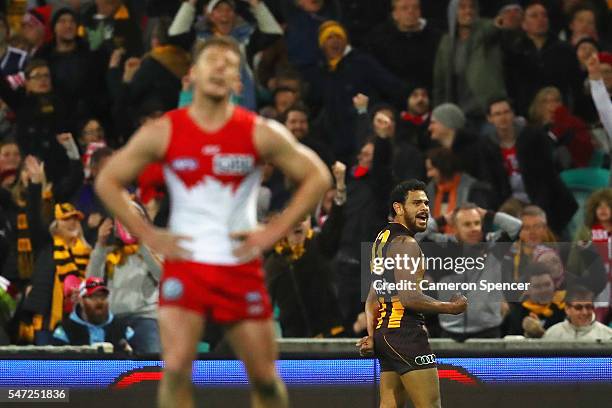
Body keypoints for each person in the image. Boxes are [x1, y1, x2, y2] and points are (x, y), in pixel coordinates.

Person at [94, 36, 331, 408]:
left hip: (239, 268)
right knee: (174, 371)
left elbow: (318, 176)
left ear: (239, 83)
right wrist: (148, 234)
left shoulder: (257, 131)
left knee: (266, 380)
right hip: (186, 267)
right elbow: (107, 180)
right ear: (191, 75)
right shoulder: (166, 130)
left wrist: (271, 232)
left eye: (229, 64)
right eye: (212, 61)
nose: (220, 68)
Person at [358, 179, 467, 408]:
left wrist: (373, 335)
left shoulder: (382, 239)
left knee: (390, 405)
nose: (425, 208)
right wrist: (450, 307)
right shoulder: (405, 243)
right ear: (398, 208)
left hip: (386, 336)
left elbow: (371, 298)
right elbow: (409, 298)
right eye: (416, 203)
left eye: (427, 203)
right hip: (406, 334)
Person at [52, 276, 134, 351]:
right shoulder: (65, 332)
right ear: (81, 301)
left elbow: (139, 363)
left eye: (103, 296)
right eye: (93, 297)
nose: (99, 301)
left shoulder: (124, 330)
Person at [543, 285, 612, 340]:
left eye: (588, 307)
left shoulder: (608, 336)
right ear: (567, 309)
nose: (585, 312)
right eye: (578, 308)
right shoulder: (552, 334)